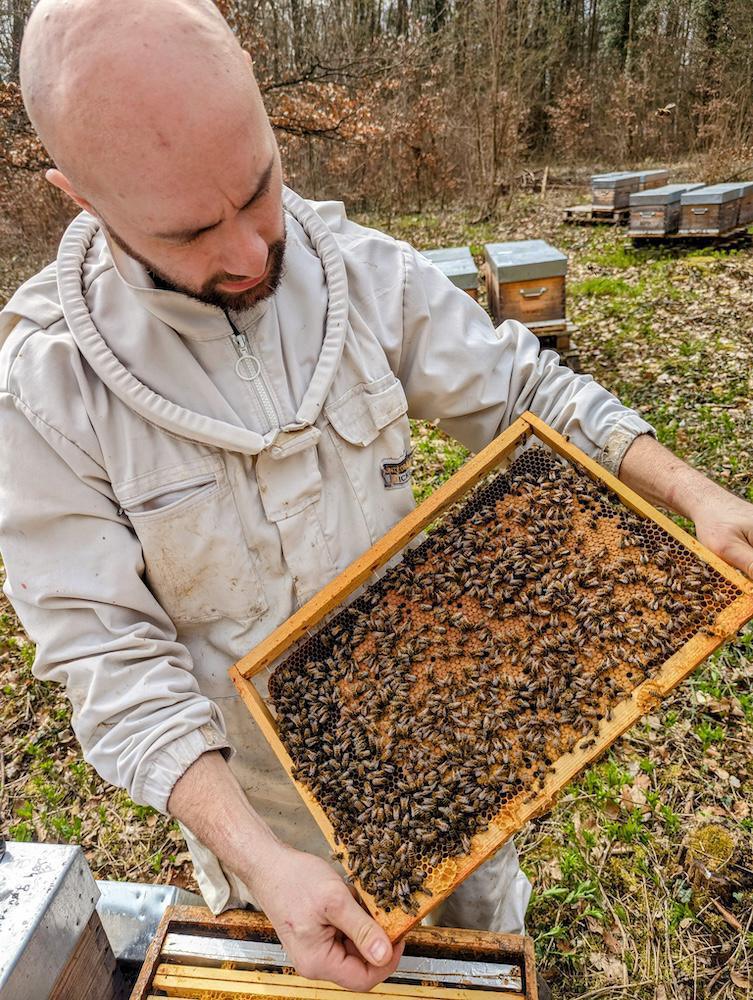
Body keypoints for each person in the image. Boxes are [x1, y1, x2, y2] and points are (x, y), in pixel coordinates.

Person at [2, 0, 752, 991]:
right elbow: (112, 664)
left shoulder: (364, 271)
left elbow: (525, 388)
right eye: (188, 231)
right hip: (263, 819)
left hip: (450, 746)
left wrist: (692, 490)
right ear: (79, 197)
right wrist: (267, 866)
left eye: (258, 188)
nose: (248, 251)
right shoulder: (47, 391)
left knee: (484, 950)